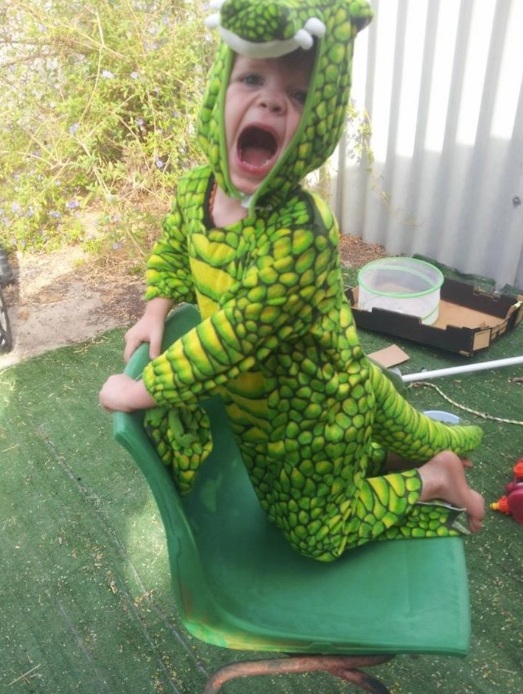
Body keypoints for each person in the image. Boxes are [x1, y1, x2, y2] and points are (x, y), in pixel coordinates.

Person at [99, 0, 484, 562]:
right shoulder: (194, 189)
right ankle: (418, 456)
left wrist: (143, 387)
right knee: (302, 494)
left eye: (300, 95)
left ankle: (436, 475)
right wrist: (155, 308)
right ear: (218, 89)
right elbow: (176, 250)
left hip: (314, 408)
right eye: (251, 76)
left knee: (316, 536)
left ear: (322, 115)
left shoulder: (301, 228)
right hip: (259, 416)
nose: (272, 98)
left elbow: (238, 332)